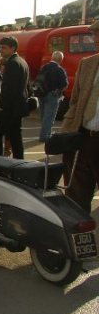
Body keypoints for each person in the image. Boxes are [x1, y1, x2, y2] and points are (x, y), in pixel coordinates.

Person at [61, 21, 99, 213]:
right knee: (76, 197)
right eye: (95, 35)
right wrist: (68, 132)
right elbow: (75, 102)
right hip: (83, 139)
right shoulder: (87, 64)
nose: (96, 39)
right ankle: (80, 240)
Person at [0, 36, 30, 159]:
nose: (1, 50)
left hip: (10, 108)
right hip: (18, 106)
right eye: (0, 47)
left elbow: (9, 88)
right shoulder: (22, 61)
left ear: (13, 48)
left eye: (4, 48)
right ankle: (19, 161)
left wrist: (0, 104)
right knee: (15, 138)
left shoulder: (13, 63)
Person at [37, 51, 68, 142]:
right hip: (52, 95)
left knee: (43, 116)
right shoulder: (60, 69)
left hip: (41, 94)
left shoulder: (44, 67)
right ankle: (44, 136)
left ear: (52, 58)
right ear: (61, 60)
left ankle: (47, 133)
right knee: (49, 116)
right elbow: (64, 84)